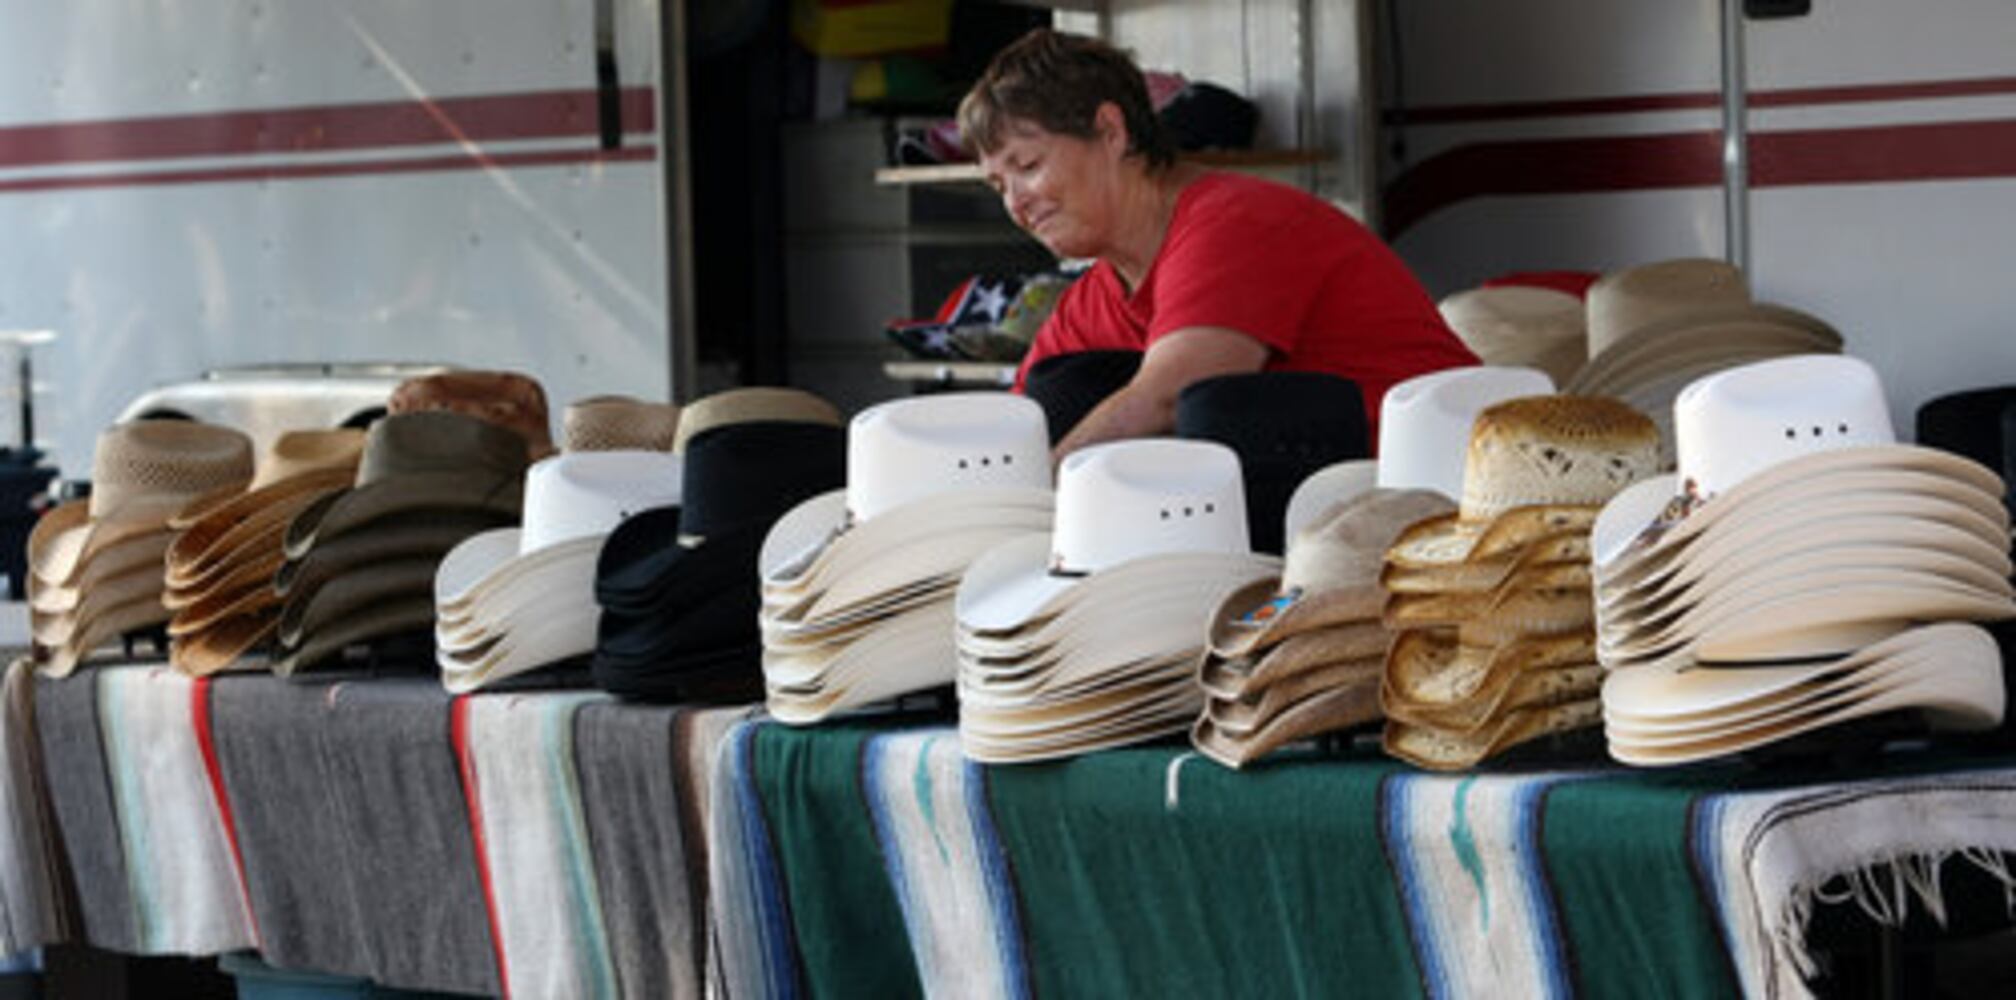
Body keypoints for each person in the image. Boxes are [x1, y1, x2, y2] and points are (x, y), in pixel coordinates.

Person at [959, 29, 1478, 458]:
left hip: (1442, 490)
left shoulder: (1234, 221)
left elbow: (1168, 397)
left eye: (1027, 167)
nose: (1016, 204)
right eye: (999, 186)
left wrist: (1040, 497)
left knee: (1204, 411)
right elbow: (1016, 424)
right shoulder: (1095, 296)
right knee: (1059, 391)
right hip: (1324, 506)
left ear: (1111, 131)